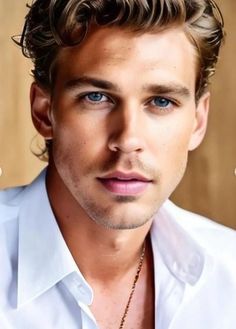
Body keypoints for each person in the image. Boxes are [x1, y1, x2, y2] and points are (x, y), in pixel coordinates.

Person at [1, 0, 236, 328]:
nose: (128, 139)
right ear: (44, 112)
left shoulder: (230, 277)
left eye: (161, 101)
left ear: (198, 121)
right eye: (96, 97)